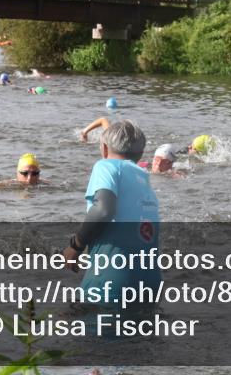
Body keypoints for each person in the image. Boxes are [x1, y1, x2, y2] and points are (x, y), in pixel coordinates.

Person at [61, 121, 161, 295]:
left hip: (114, 276)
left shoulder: (105, 166)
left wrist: (75, 246)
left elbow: (103, 210)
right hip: (151, 281)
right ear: (141, 153)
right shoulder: (144, 178)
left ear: (105, 149)